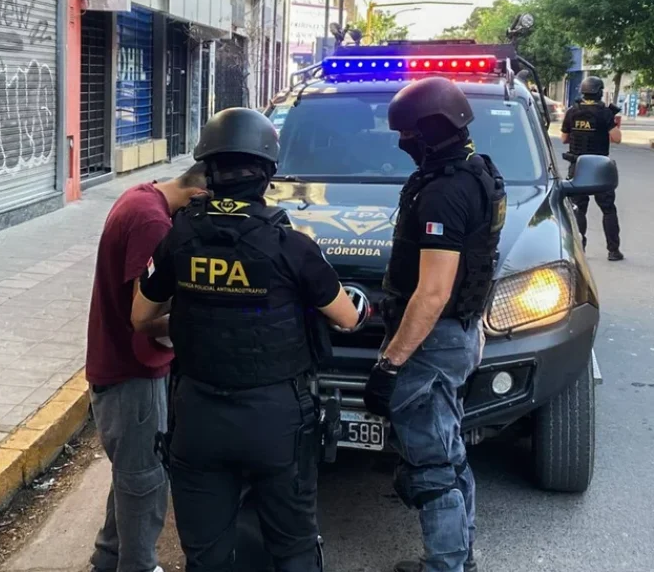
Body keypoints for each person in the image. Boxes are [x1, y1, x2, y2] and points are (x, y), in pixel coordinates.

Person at [131, 107, 363, 572]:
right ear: (267, 175)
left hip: (198, 416)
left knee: (206, 555)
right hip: (275, 421)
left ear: (209, 172)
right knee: (293, 547)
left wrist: (197, 318)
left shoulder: (179, 239)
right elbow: (346, 318)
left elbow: (140, 317)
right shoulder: (292, 246)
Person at [364, 77, 506, 572]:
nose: (403, 143)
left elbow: (433, 290)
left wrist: (388, 364)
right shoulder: (477, 172)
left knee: (430, 463)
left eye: (407, 134)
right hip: (457, 332)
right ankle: (461, 557)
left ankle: (445, 564)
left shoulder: (445, 192)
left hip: (431, 341)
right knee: (450, 450)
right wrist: (476, 327)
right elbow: (479, 264)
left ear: (429, 131)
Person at [84, 163, 209, 572]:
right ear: (196, 197)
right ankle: (137, 565)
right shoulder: (153, 223)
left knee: (131, 472)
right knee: (145, 482)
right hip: (132, 372)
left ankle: (109, 556)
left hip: (119, 364)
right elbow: (146, 315)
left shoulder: (141, 195)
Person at [560, 76, 623, 260]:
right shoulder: (605, 114)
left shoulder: (572, 112)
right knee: (608, 208)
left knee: (579, 208)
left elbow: (564, 138)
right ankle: (613, 251)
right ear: (599, 92)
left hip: (578, 166)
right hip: (599, 167)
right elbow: (617, 138)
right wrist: (611, 121)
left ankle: (580, 249)